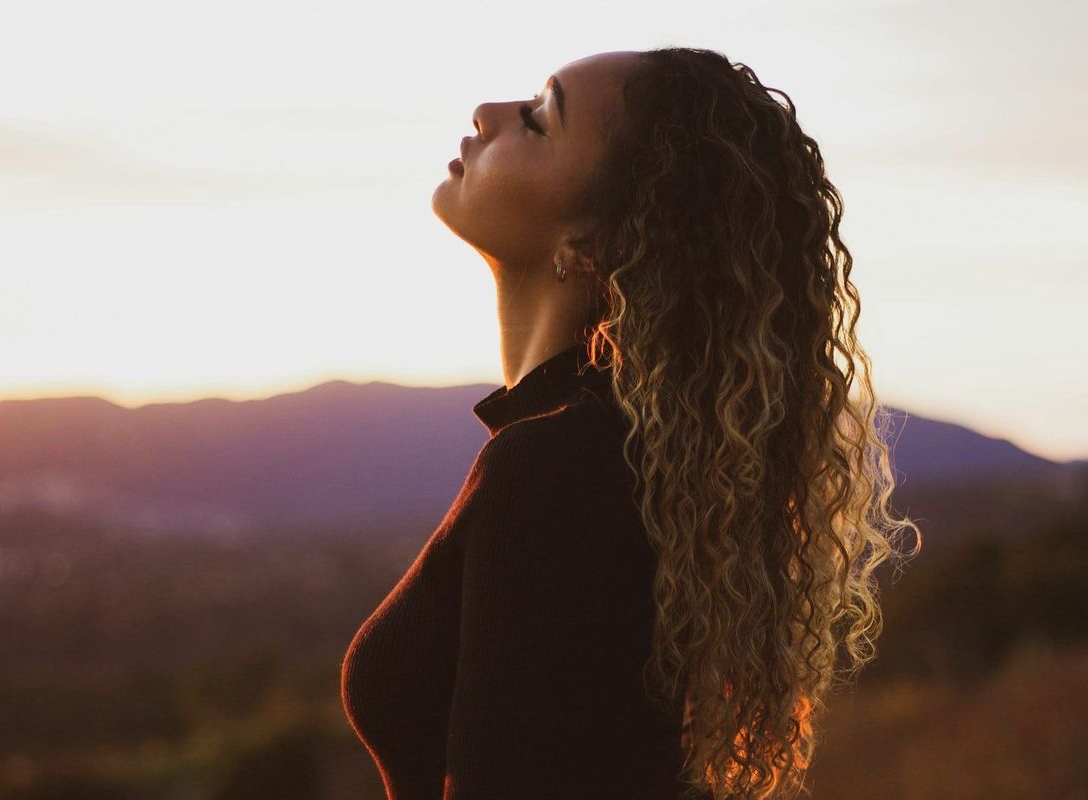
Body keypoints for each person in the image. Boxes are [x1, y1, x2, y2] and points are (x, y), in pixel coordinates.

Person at [341, 47, 922, 800]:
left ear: (592, 244)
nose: (488, 114)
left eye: (540, 121)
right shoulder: (605, 458)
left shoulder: (561, 470)